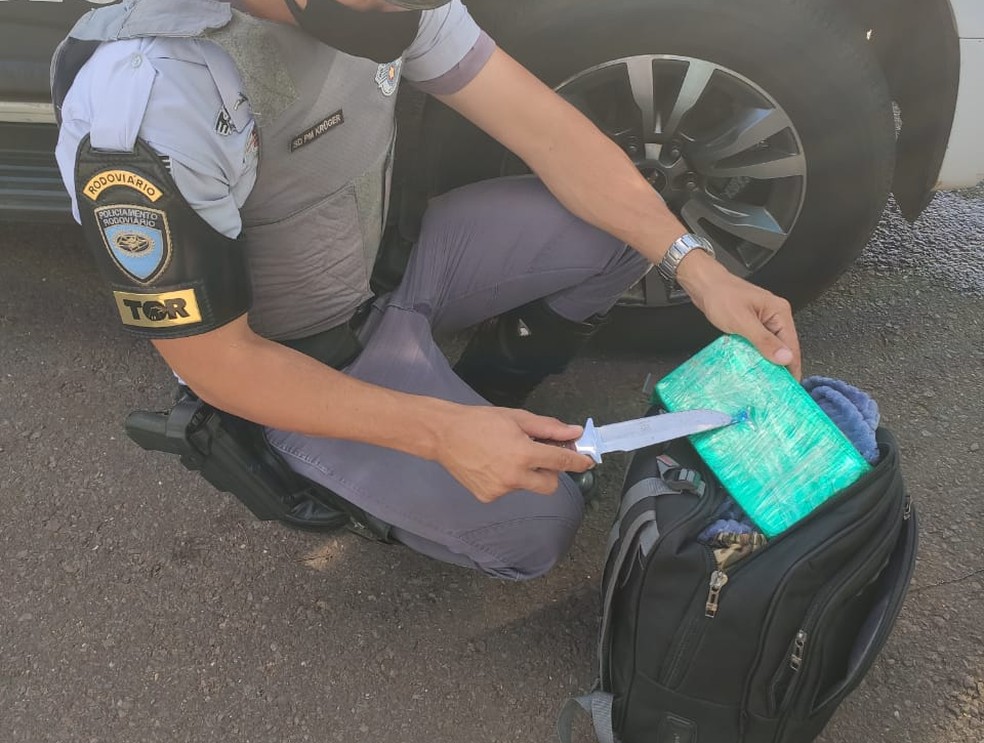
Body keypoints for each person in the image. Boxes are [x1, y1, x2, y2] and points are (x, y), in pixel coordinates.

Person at [52, 0, 801, 580]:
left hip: (391, 265)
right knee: (537, 529)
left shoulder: (386, 6)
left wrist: (698, 268)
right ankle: (325, 464)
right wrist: (439, 433)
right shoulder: (152, 97)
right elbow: (217, 361)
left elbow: (548, 133)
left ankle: (480, 401)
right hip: (301, 357)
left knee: (627, 234)